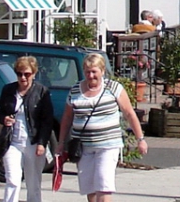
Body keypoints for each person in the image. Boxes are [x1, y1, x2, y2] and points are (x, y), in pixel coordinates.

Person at [56, 52, 146, 202]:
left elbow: (129, 113)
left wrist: (140, 139)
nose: (90, 76)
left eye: (94, 72)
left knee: (103, 185)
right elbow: (67, 118)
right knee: (89, 188)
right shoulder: (76, 90)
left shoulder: (113, 88)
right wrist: (60, 143)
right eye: (87, 72)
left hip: (108, 145)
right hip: (83, 146)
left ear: (102, 71)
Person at [0, 56, 57, 202]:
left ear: (34, 74)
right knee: (12, 179)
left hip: (33, 142)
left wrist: (42, 143)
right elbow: (1, 112)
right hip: (12, 142)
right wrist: (4, 119)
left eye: (27, 74)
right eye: (19, 74)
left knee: (33, 183)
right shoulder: (8, 90)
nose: (23, 78)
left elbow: (47, 120)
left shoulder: (41, 92)